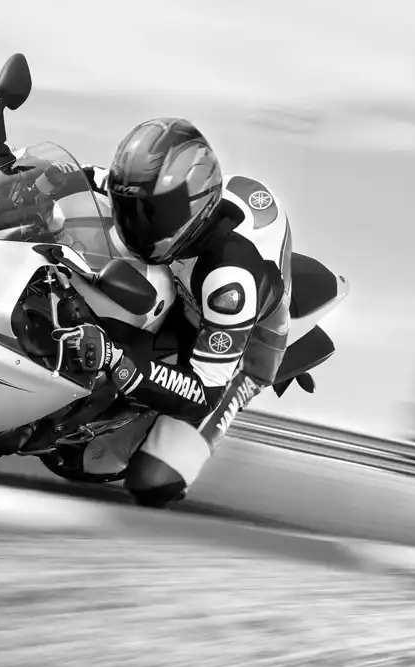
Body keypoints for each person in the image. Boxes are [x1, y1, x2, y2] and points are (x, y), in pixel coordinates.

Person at [49, 117, 294, 508]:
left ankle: (144, 428)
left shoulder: (229, 283)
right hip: (185, 297)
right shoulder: (153, 199)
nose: (135, 226)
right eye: (130, 210)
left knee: (151, 481)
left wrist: (118, 362)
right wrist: (34, 176)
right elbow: (88, 178)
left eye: (151, 216)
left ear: (193, 210)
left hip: (243, 352)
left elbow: (203, 393)